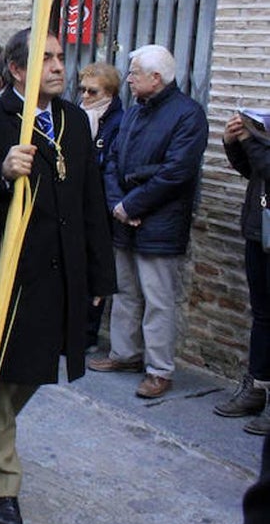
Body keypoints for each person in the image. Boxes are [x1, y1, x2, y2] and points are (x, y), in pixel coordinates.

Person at [0, 28, 115, 524]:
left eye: (61, 57)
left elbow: (89, 200)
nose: (61, 67)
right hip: (4, 277)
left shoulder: (73, 122)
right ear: (17, 70)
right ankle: (2, 486)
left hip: (56, 274)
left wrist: (98, 272)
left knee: (35, 370)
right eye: (47, 58)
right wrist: (1, 173)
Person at [88, 45, 208, 399]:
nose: (128, 79)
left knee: (158, 298)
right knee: (124, 291)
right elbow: (112, 161)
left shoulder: (188, 115)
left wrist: (134, 203)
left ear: (156, 78)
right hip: (125, 217)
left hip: (161, 222)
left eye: (134, 73)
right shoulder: (135, 112)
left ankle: (159, 369)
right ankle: (125, 354)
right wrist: (118, 205)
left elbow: (177, 172)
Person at [217, 112, 270, 434]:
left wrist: (250, 139)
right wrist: (232, 143)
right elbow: (252, 171)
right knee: (262, 316)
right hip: (259, 233)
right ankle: (257, 388)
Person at [77, 62, 124, 351]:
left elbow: (110, 163)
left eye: (92, 91)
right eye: (82, 89)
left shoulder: (118, 121)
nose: (85, 96)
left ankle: (87, 334)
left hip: (100, 206)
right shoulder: (79, 115)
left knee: (93, 270)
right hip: (76, 202)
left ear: (108, 92)